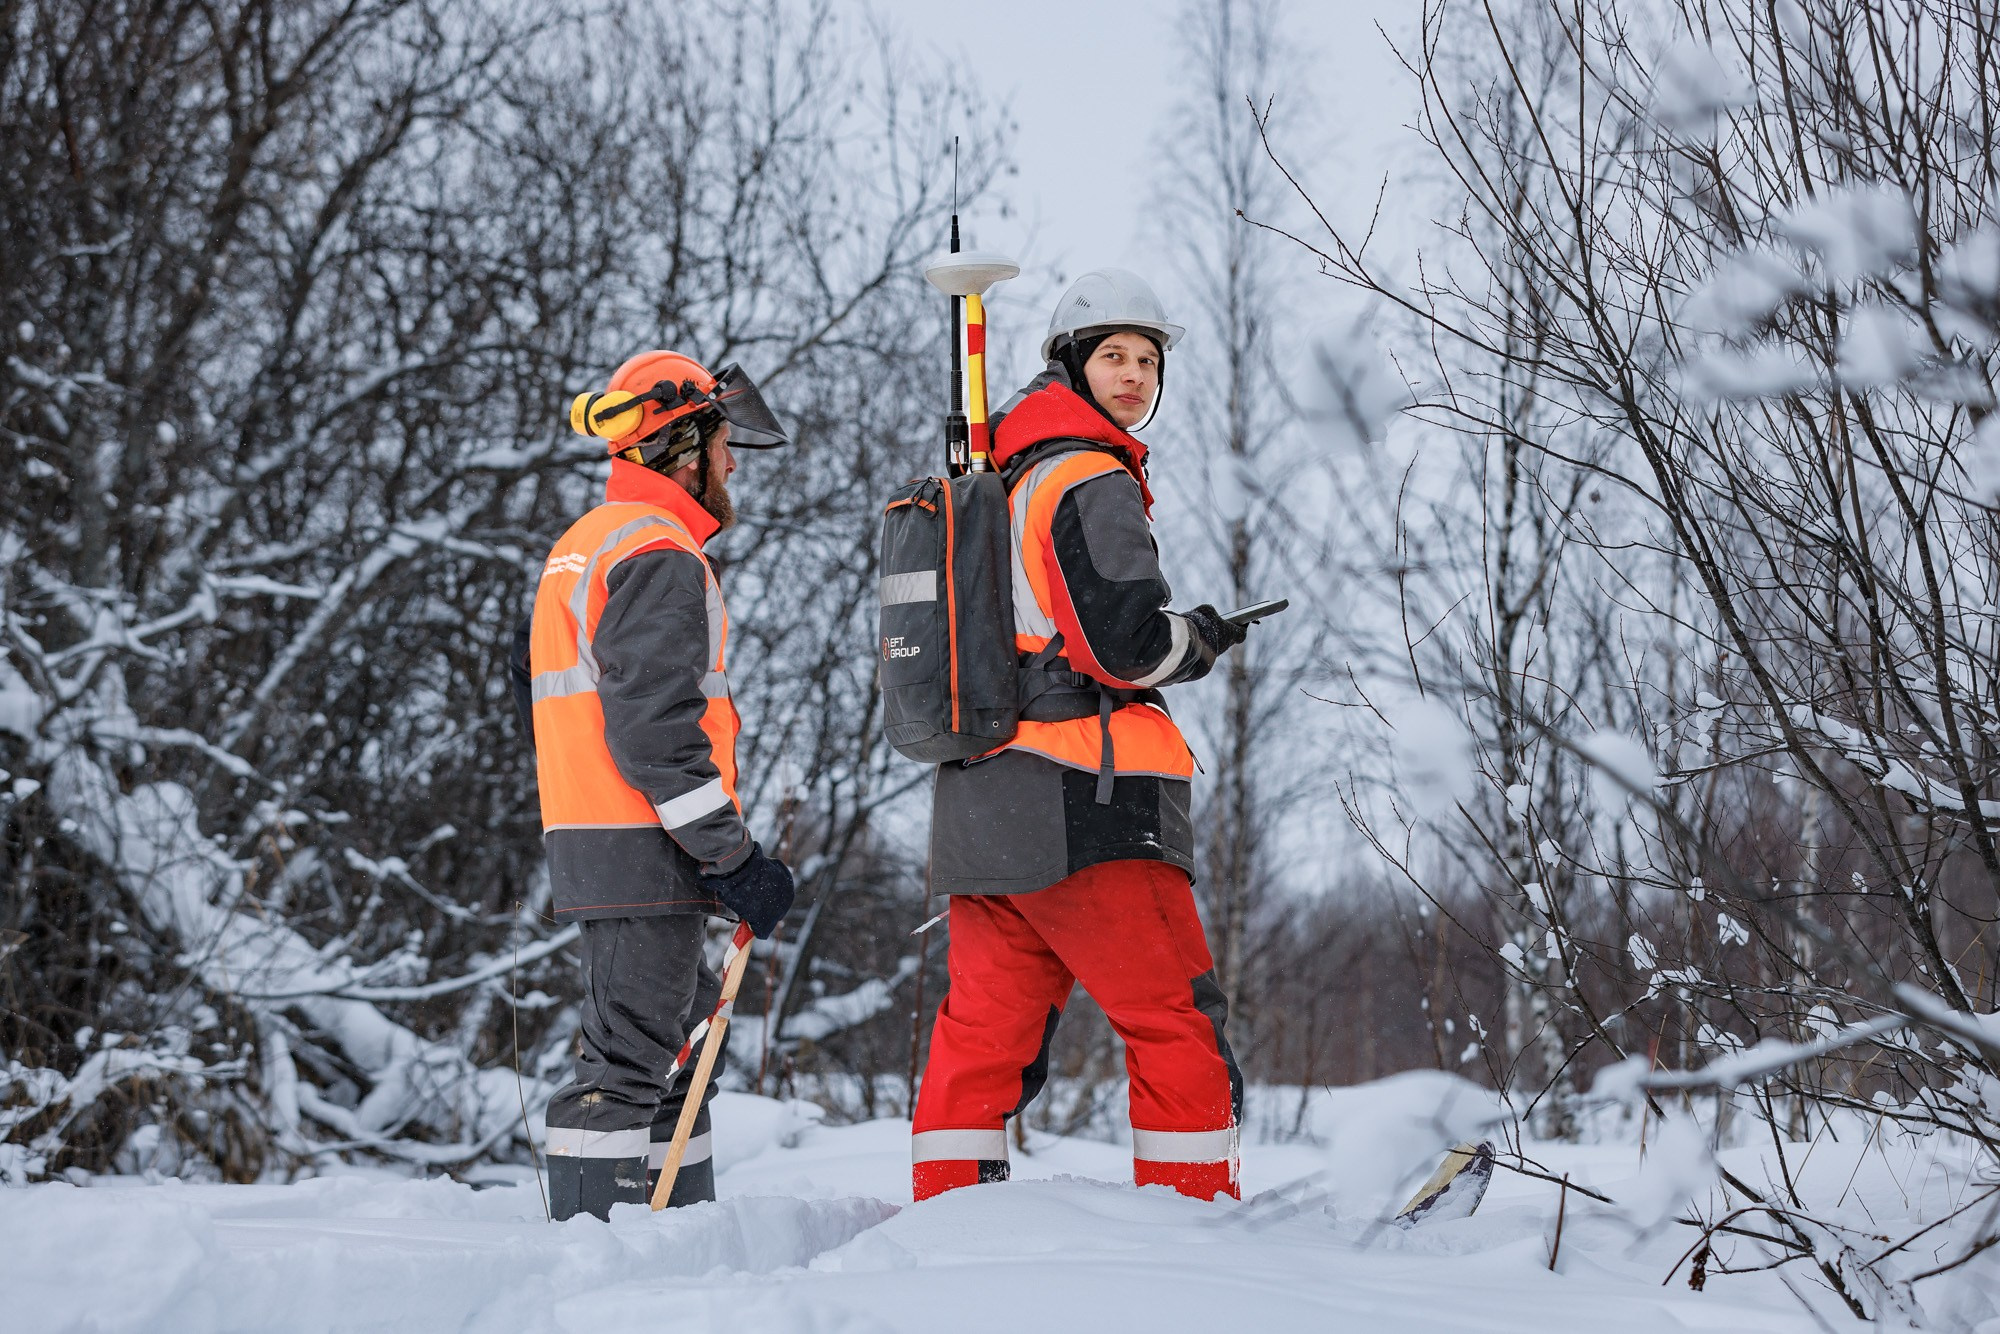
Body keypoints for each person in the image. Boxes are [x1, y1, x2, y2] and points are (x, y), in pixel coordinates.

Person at [911, 269, 1254, 1202]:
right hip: (1086, 800)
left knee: (983, 1036)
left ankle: (947, 1223)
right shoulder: (1089, 474)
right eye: (1114, 356)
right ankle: (1197, 1230)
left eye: (1148, 360)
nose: (1136, 375)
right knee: (1173, 1018)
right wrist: (1202, 639)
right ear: (1070, 363)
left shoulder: (998, 476)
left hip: (982, 797)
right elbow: (1124, 648)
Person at [527, 349, 798, 1221]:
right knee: (629, 1064)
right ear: (684, 444)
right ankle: (596, 1267)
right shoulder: (656, 552)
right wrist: (731, 852)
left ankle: (678, 1247)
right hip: (643, 841)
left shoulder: (591, 543)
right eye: (722, 445)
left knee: (676, 1061)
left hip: (616, 838)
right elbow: (654, 732)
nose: (729, 465)